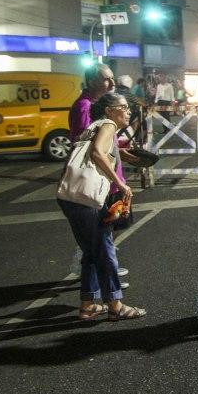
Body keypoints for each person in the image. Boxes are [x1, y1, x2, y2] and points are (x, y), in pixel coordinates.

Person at [58, 93, 146, 321]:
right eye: (123, 107)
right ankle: (115, 304)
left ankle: (88, 304)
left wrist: (121, 154)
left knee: (91, 252)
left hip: (71, 196)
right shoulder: (107, 124)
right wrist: (120, 184)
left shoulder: (95, 126)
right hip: (87, 198)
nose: (128, 112)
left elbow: (95, 150)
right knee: (105, 251)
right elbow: (97, 153)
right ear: (109, 110)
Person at [70, 64, 137, 285]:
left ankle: (105, 266)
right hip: (99, 180)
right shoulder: (85, 107)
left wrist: (121, 153)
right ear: (91, 81)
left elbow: (105, 143)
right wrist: (116, 178)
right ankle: (103, 275)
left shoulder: (100, 106)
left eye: (112, 79)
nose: (112, 83)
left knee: (112, 227)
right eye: (106, 79)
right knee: (101, 233)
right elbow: (89, 146)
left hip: (109, 178)